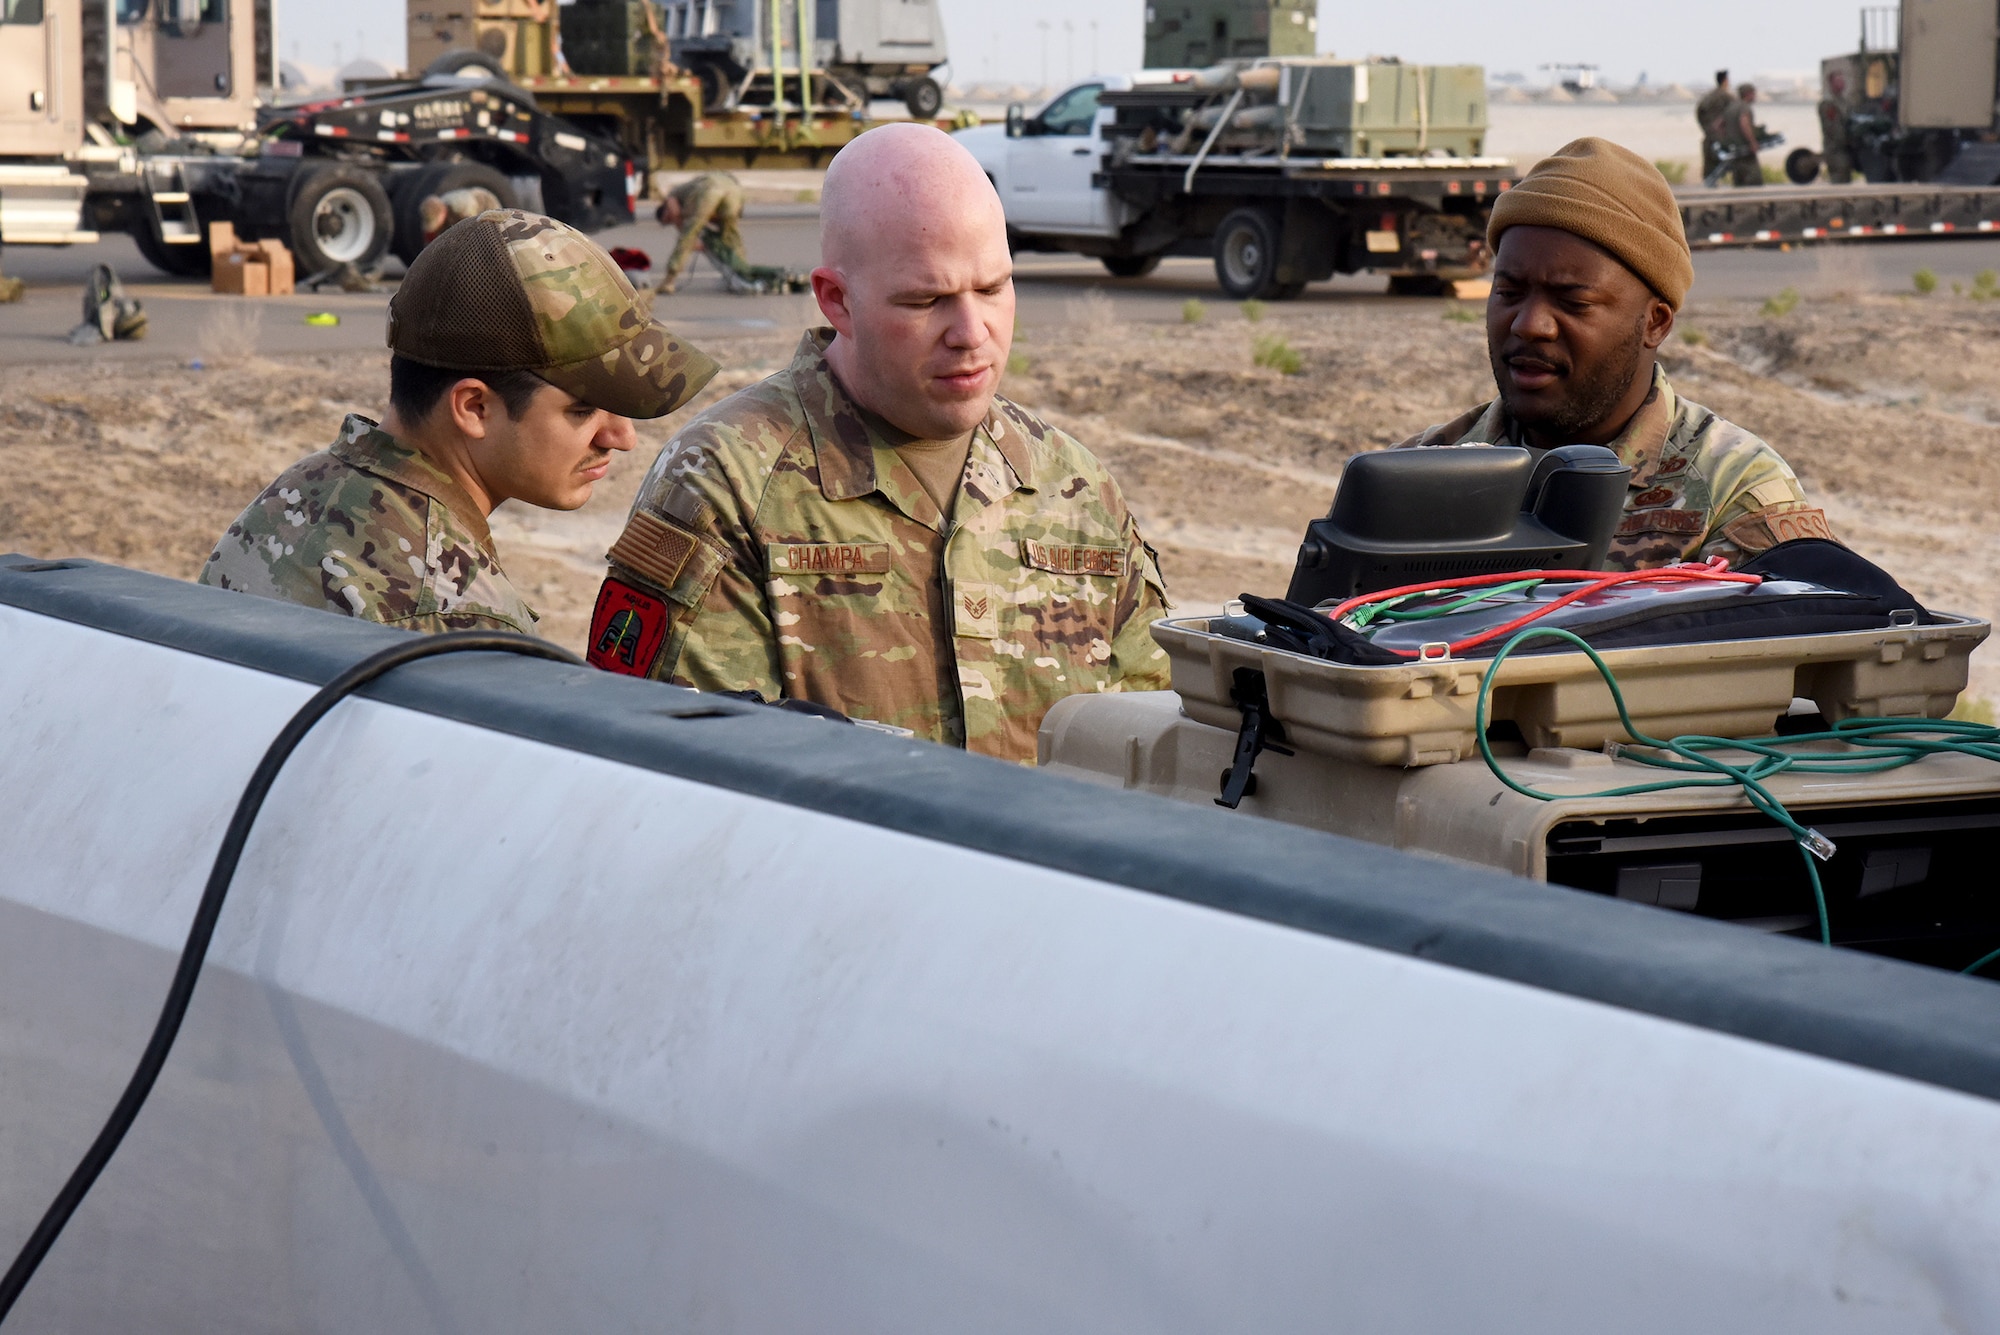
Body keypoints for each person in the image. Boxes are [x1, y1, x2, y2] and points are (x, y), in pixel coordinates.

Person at [590, 123, 1171, 762]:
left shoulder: (1076, 489)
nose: (972, 333)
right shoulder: (727, 484)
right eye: (928, 299)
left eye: (993, 288)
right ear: (837, 300)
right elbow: (675, 766)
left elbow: (1149, 748)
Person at [201, 209, 718, 634]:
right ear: (474, 408)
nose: (621, 437)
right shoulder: (456, 619)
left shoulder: (300, 492)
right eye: (582, 410)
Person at [1398, 137, 1836, 570]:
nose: (1529, 324)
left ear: (1655, 322)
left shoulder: (1733, 493)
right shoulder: (1419, 473)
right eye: (1509, 293)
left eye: (1573, 302)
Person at [654, 172, 808, 295]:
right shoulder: (689, 193)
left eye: (667, 220)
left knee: (687, 237)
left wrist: (684, 231)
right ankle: (742, 270)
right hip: (733, 192)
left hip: (709, 191)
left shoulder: (672, 196)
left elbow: (677, 216)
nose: (671, 221)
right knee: (731, 239)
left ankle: (669, 280)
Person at [1723, 84, 1765, 187]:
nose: (1755, 97)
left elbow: (1718, 125)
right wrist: (1753, 142)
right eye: (1753, 94)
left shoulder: (1730, 107)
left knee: (1738, 182)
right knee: (1754, 180)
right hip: (1746, 151)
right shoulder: (1744, 107)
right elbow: (1744, 124)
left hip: (1734, 151)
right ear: (1748, 94)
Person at [1696, 70, 1733, 184]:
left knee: (1709, 170)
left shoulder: (1707, 97)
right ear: (1726, 80)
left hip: (1709, 137)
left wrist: (1706, 128)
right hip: (1723, 138)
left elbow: (1699, 113)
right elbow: (1734, 114)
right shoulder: (1727, 97)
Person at [1819, 70, 1855, 184]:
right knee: (1839, 181)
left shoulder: (1845, 102)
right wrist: (1848, 140)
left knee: (1847, 180)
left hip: (1846, 151)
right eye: (1838, 80)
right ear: (1831, 84)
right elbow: (1833, 129)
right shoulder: (1828, 104)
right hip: (1835, 151)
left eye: (1842, 80)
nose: (1842, 83)